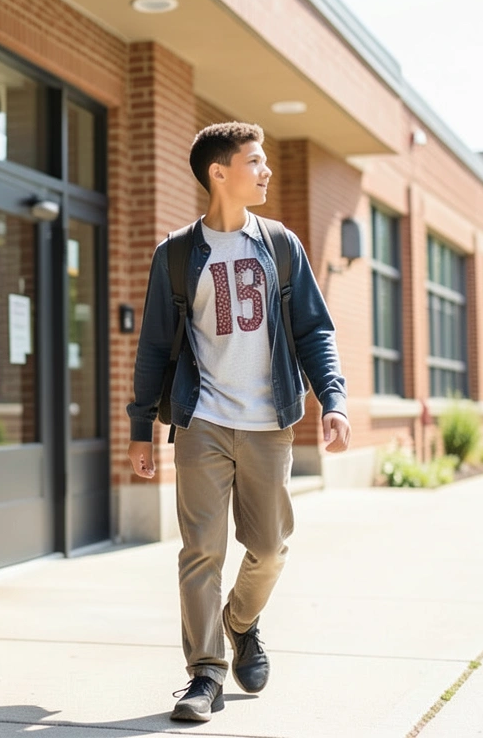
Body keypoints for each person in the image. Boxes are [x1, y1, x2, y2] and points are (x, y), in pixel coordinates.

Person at [126, 122, 350, 722]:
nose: (266, 171)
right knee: (201, 552)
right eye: (256, 162)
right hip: (200, 421)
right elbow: (153, 348)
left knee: (270, 549)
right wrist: (141, 427)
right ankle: (204, 675)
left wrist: (333, 399)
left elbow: (313, 330)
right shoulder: (176, 255)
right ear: (218, 173)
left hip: (269, 422)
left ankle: (241, 621)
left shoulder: (279, 245)